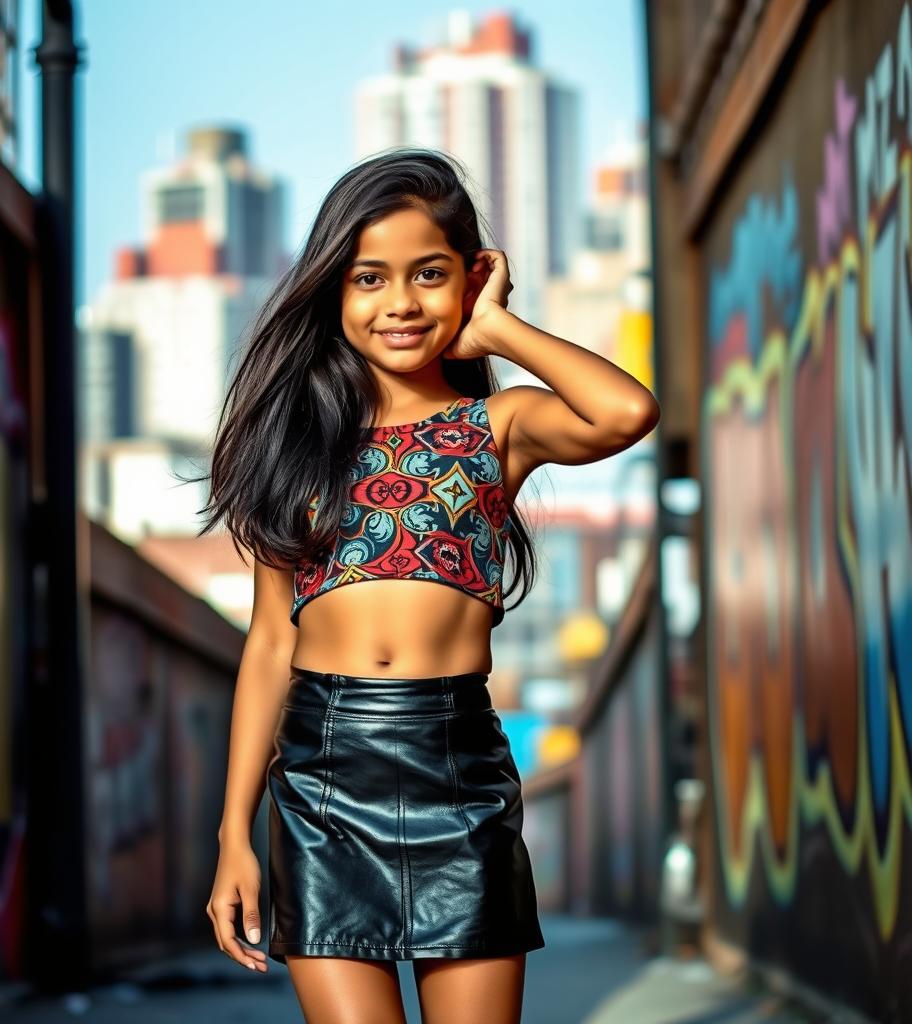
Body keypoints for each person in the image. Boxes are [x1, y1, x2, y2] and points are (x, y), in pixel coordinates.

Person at [198, 148, 660, 1024]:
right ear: (334, 289)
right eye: (369, 277)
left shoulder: (501, 425)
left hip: (460, 773)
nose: (400, 303)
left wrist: (500, 333)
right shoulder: (291, 446)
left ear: (471, 279)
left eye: (430, 275)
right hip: (321, 783)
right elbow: (270, 642)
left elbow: (628, 412)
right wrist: (234, 834)